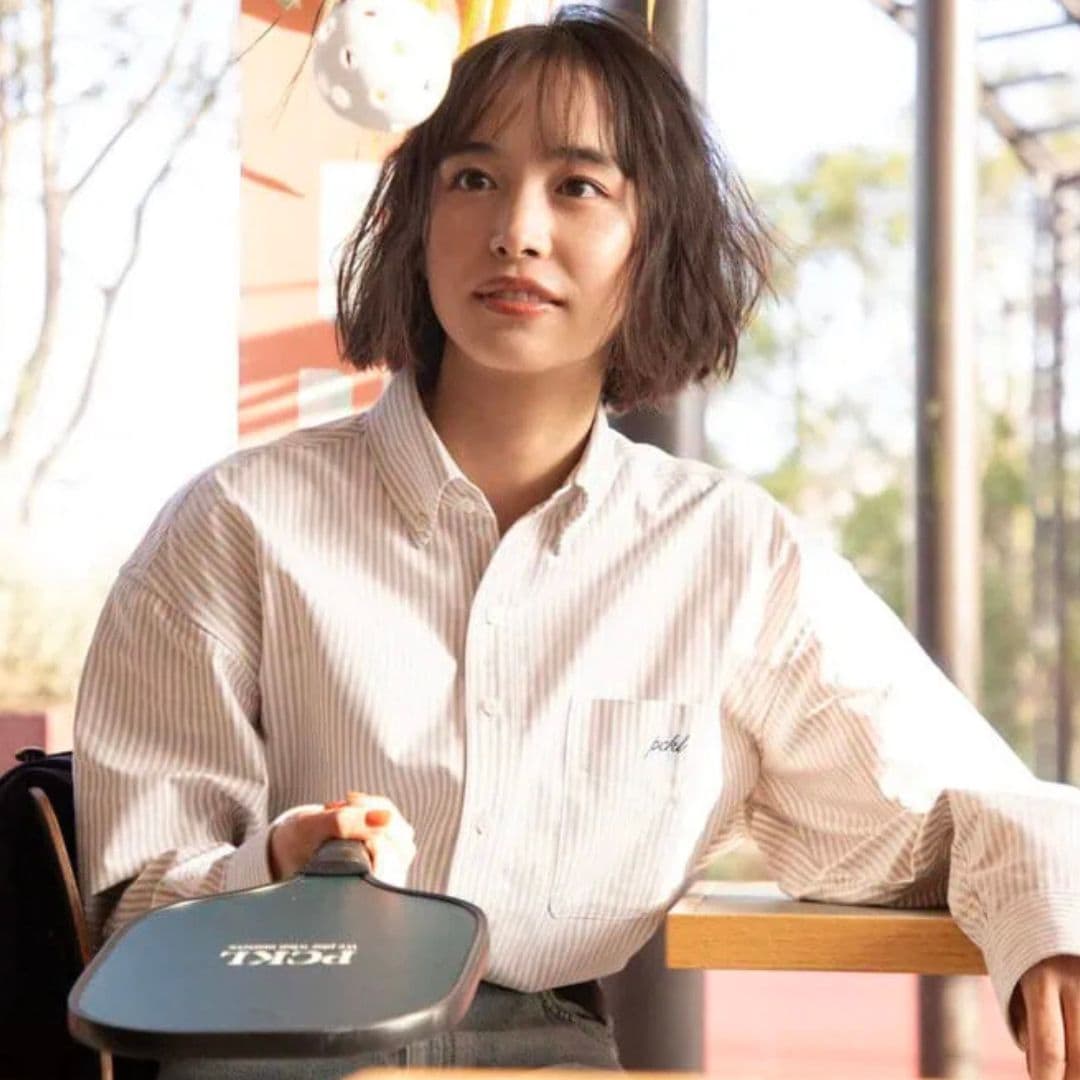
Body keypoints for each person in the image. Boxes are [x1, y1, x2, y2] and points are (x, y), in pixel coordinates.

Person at [74, 7, 1080, 1079]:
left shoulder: (732, 556)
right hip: (256, 1040)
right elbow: (132, 911)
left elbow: (962, 806)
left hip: (549, 1050)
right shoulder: (235, 524)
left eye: (579, 186)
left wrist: (1052, 926)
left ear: (657, 240)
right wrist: (276, 869)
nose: (517, 230)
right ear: (416, 220)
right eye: (472, 178)